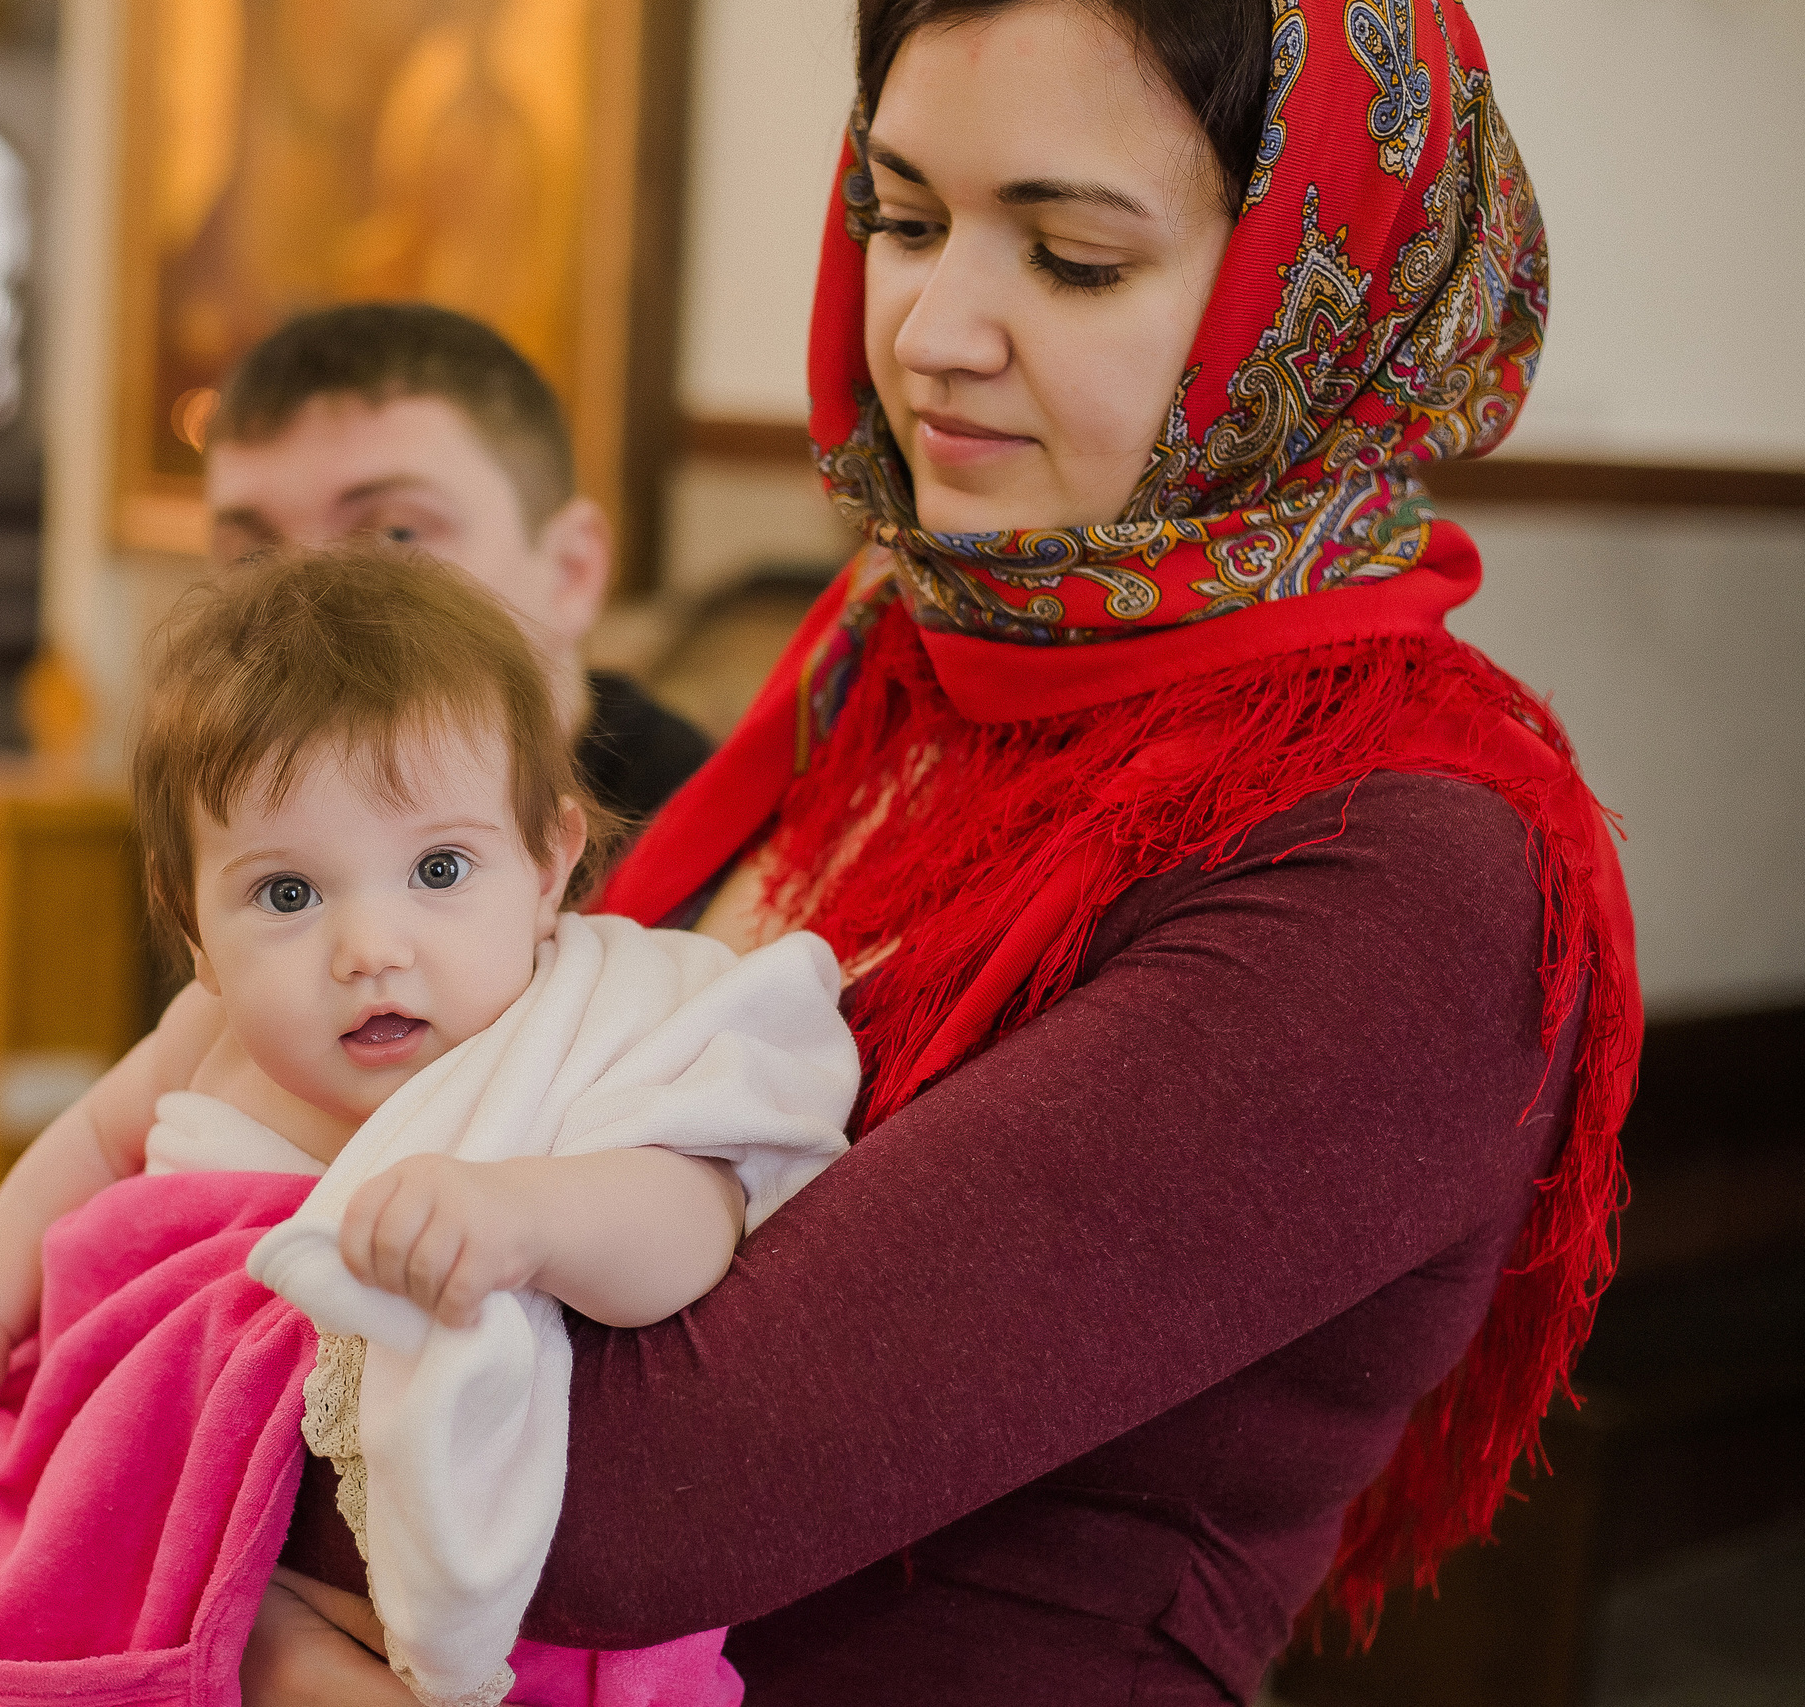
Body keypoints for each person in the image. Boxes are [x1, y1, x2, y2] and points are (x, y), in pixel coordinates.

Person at [251, 1, 1640, 1702]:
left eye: (1068, 257)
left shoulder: (1399, 863)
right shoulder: (904, 651)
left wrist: (188, 1515)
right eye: (904, 220)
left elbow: (622, 1500)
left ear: (1318, 295)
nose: (932, 333)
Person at [0, 546, 852, 1706]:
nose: (369, 949)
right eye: (288, 895)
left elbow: (691, 1223)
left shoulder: (590, 1026)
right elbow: (88, 1150)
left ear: (551, 862)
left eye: (440, 867)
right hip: (204, 1560)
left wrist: (526, 1217)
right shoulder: (203, 1040)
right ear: (193, 930)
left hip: (512, 1622)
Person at [203, 302, 713, 828]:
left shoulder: (718, 860)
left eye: (394, 536)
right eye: (253, 556)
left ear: (571, 570)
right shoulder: (239, 824)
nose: (303, 608)